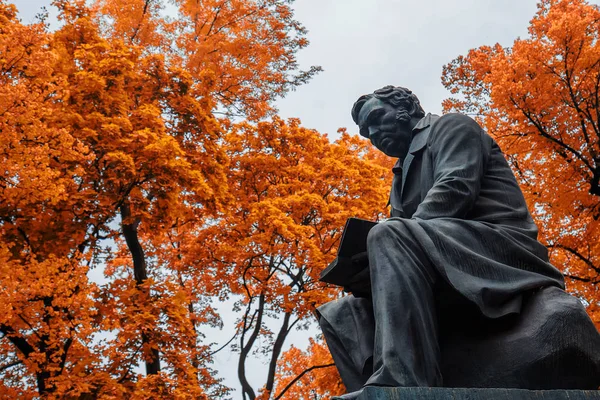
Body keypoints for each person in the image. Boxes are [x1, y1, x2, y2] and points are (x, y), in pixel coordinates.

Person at [317, 86, 565, 399]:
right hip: (444, 249)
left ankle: (403, 380)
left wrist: (392, 240)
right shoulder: (399, 173)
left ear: (405, 106)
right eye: (367, 133)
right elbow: (404, 237)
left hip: (498, 247)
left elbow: (455, 188)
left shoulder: (452, 126)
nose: (374, 134)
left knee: (388, 234)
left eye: (378, 119)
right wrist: (368, 272)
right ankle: (374, 389)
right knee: (342, 312)